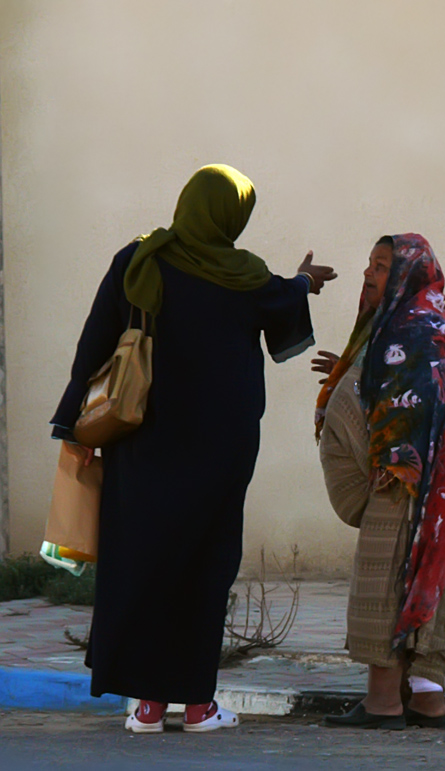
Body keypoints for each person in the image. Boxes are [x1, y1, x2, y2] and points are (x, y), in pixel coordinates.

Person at [50, 164, 336, 733]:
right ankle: (198, 705)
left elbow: (94, 344)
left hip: (142, 444)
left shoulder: (137, 261)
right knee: (202, 570)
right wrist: (304, 282)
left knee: (142, 564)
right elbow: (279, 301)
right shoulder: (243, 273)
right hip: (217, 454)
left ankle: (148, 705)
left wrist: (72, 426)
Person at [313, 233, 445, 730]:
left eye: (380, 266)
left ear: (405, 276)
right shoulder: (436, 322)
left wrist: (343, 392)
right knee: (434, 578)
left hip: (407, 478)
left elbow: (394, 411)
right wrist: (354, 372)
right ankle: (427, 699)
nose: (369, 275)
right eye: (369, 265)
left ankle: (382, 702)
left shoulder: (404, 334)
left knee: (388, 576)